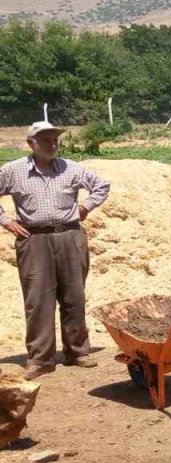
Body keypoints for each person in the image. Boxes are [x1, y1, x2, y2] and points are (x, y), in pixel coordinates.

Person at [0, 121, 111, 381]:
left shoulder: (72, 168)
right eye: (45, 140)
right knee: (38, 300)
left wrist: (85, 208)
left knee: (74, 295)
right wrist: (6, 222)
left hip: (70, 236)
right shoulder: (13, 171)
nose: (52, 144)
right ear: (31, 144)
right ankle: (40, 359)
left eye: (54, 140)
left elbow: (102, 186)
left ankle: (77, 351)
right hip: (33, 239)